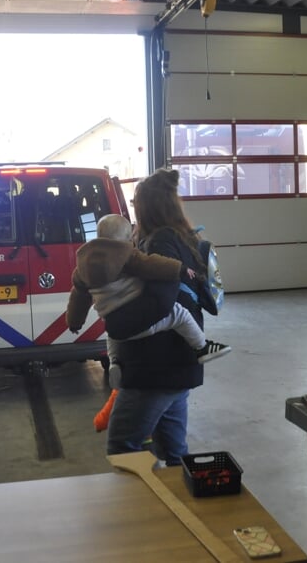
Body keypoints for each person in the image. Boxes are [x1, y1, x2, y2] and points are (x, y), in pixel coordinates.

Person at [66, 214, 231, 432]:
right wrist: (179, 269)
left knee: (112, 332)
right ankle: (202, 347)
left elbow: (78, 297)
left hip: (114, 322)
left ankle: (115, 362)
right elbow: (152, 265)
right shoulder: (126, 254)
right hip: (141, 320)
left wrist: (75, 321)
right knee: (178, 314)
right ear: (127, 240)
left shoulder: (83, 265)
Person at [105, 169, 215, 465]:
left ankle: (141, 510)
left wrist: (116, 322)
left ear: (147, 206)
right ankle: (178, 507)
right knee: (173, 452)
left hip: (155, 368)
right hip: (175, 365)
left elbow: (162, 303)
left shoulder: (160, 241)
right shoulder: (183, 236)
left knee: (122, 447)